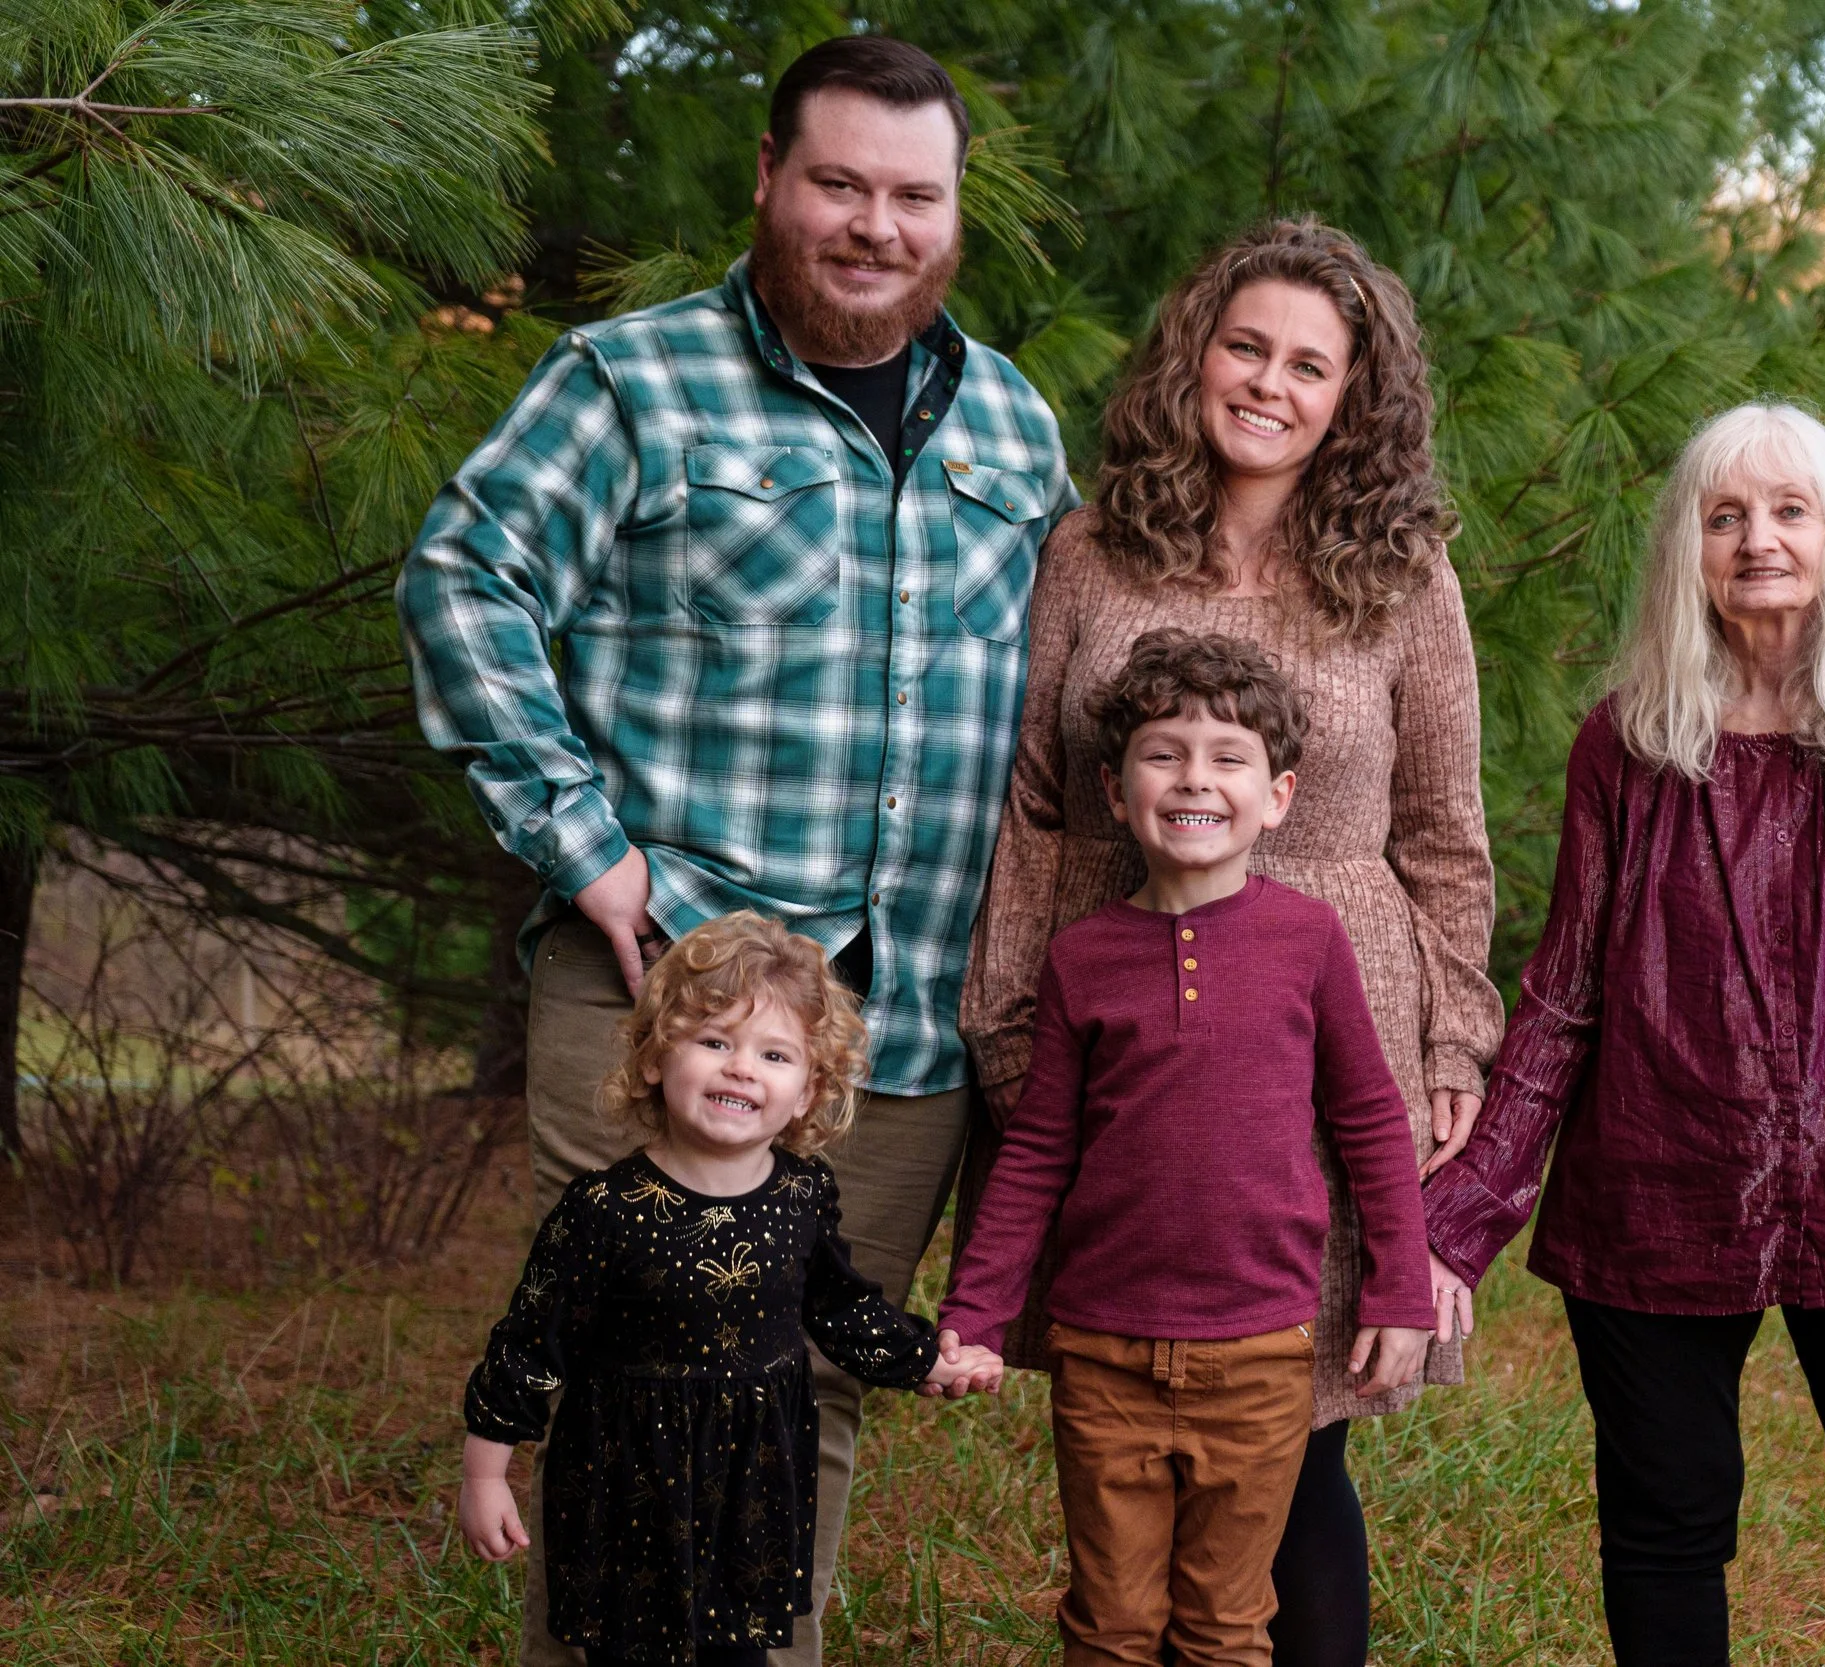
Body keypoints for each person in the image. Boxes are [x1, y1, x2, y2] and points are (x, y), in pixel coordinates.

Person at [398, 32, 1073, 1664]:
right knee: (630, 1371)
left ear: (954, 213)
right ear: (769, 178)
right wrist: (581, 842)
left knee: (814, 1386)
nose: (875, 225)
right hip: (663, 981)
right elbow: (461, 579)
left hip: (897, 1017)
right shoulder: (634, 379)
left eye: (915, 196)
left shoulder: (1016, 428)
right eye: (838, 182)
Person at [956, 217, 1501, 1664]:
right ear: (1195, 353)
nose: (1269, 383)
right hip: (1118, 1000)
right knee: (1135, 1427)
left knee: (1297, 1436)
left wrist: (1455, 1037)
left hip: (1338, 1020)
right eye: (1246, 344)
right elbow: (1035, 803)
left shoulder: (1404, 575)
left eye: (1309, 365)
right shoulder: (1088, 552)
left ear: (1353, 399)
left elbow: (1446, 830)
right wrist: (1006, 1020)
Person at [1423, 402, 1825, 1667]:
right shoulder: (1628, 739)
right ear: (1686, 548)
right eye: (1725, 515)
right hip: (1654, 1178)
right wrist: (1457, 1219)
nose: (1759, 539)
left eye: (1790, 510)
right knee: (1664, 1518)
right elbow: (1566, 991)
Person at [941, 629, 1435, 1666]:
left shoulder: (1307, 939)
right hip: (1103, 1348)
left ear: (1278, 794)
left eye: (1226, 757)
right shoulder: (1081, 956)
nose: (1194, 776)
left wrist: (1399, 1293)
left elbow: (1370, 1123)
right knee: (1110, 1621)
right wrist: (976, 1315)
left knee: (1224, 1623)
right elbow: (1037, 1150)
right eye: (1163, 753)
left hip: (1257, 1353)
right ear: (1117, 795)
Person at [456, 913, 1005, 1667]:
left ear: (809, 1088)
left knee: (739, 1656)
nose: (741, 1067)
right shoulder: (604, 1210)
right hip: (628, 1487)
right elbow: (529, 1345)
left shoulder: (802, 1194)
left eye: (774, 1053)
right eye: (714, 1041)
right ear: (654, 1058)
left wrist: (924, 1361)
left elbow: (840, 1307)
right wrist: (484, 1475)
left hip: (753, 1486)